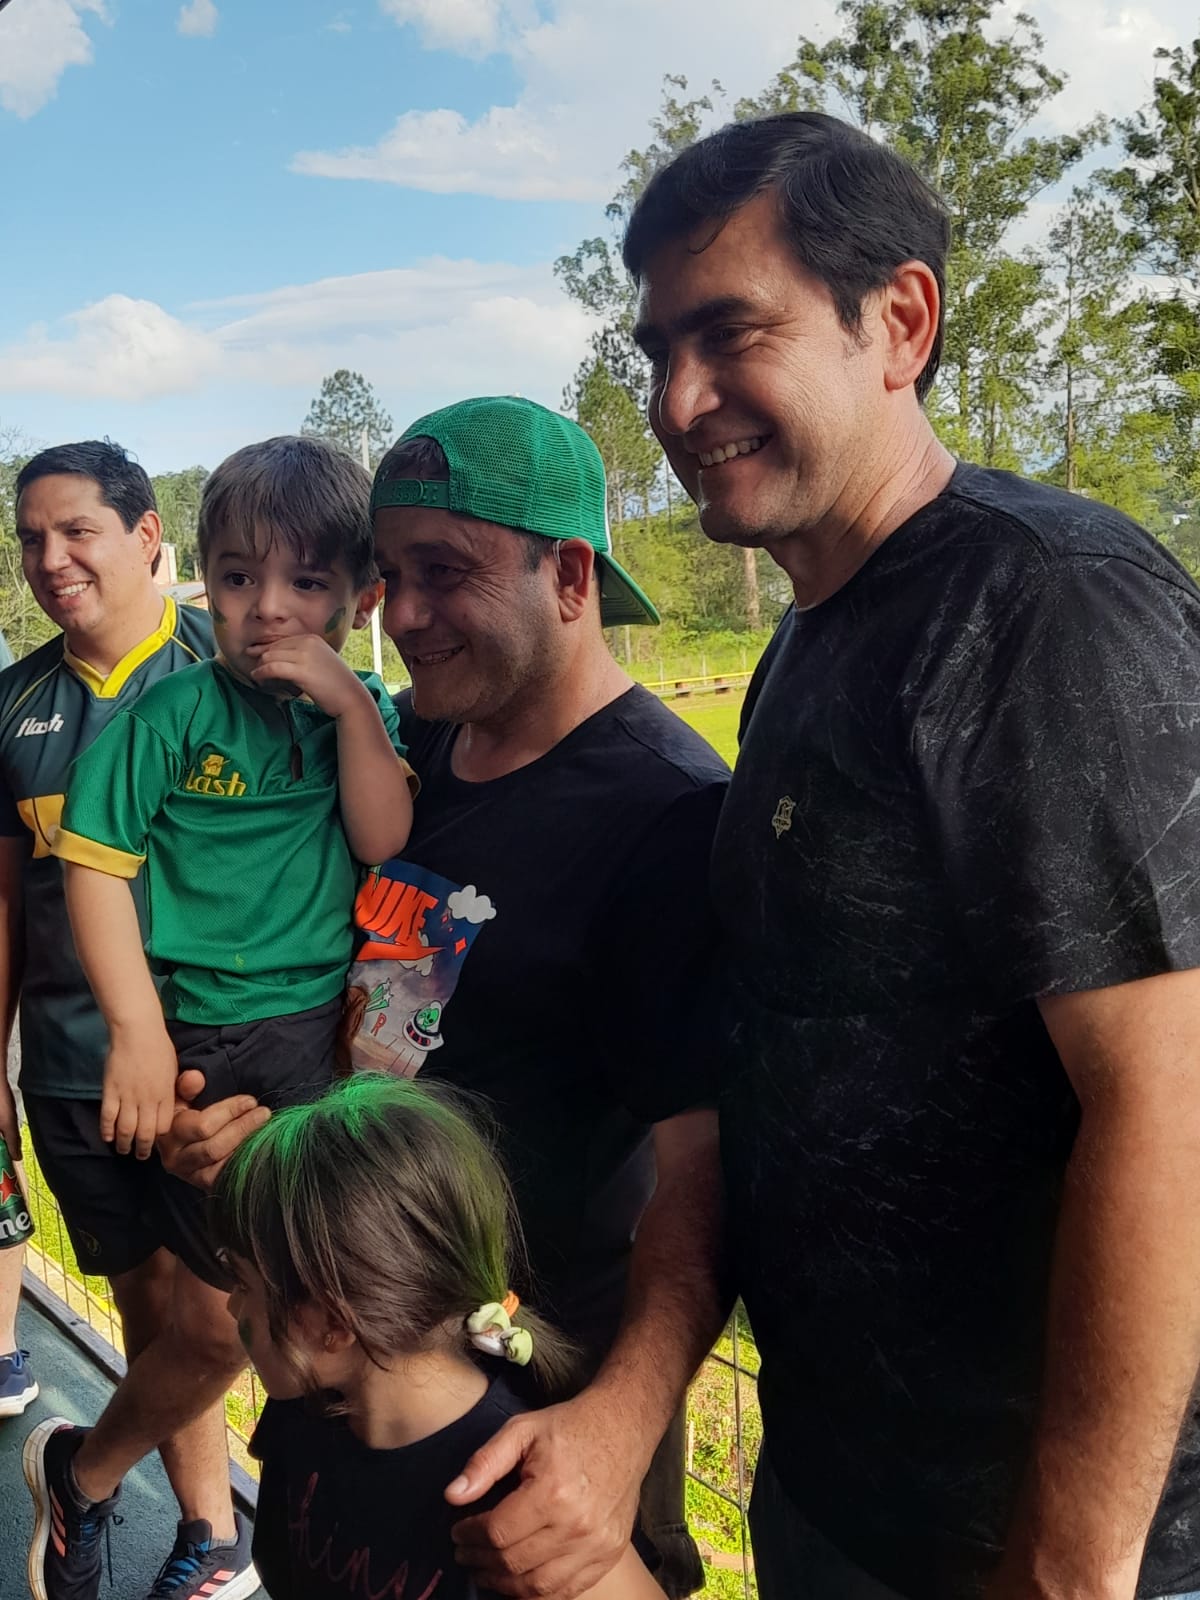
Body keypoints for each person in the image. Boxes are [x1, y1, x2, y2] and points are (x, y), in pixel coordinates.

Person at [619, 110, 1200, 1600]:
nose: (679, 401)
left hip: (1039, 1544)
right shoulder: (813, 636)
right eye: (656, 353)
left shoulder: (1042, 606)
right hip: (843, 1496)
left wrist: (1072, 1566)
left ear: (900, 321)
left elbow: (1170, 1096)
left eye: (728, 333)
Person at [160, 396, 730, 1600]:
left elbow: (709, 1166)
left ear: (569, 572)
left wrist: (618, 1428)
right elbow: (368, 993)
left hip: (540, 1396)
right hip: (353, 1355)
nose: (400, 615)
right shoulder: (408, 748)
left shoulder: (667, 815)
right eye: (389, 575)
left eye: (444, 574)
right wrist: (276, 1134)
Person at [25, 434, 413, 1600]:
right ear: (203, 578)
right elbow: (93, 868)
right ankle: (127, 1491)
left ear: (359, 595)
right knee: (225, 1320)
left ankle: (266, 1514)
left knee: (320, 1301)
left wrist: (348, 701)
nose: (267, 610)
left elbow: (387, 842)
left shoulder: (359, 711)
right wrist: (137, 1032)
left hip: (323, 1037)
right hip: (199, 1048)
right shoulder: (168, 714)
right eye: (239, 578)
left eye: (304, 583)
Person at [0, 440, 260, 1599]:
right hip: (70, 1070)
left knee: (226, 1320)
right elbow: (6, 904)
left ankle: (83, 1471)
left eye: (77, 532)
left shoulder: (237, 666)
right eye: (29, 540)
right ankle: (210, 1537)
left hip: (224, 1064)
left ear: (150, 533)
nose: (50, 560)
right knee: (152, 1309)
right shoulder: (15, 704)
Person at [211, 1069, 667, 1600]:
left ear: (334, 1323)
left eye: (243, 1283)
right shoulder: (307, 1409)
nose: (231, 1304)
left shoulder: (523, 1495)